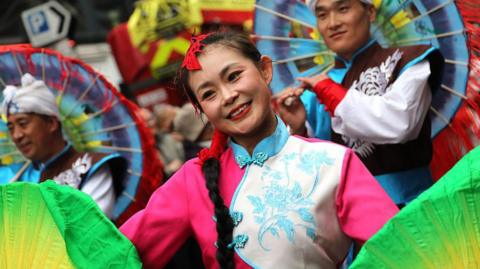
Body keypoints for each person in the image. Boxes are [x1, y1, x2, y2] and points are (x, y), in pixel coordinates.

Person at [120, 31, 398, 268]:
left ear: (265, 70)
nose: (228, 96)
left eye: (234, 76)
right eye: (208, 94)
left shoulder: (332, 162)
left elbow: (400, 248)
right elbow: (118, 254)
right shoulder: (192, 180)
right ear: (202, 111)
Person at [274, 0, 444, 207]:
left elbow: (400, 124)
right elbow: (315, 171)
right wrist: (299, 128)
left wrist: (329, 91)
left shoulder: (410, 61)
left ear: (370, 12)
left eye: (343, 9)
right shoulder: (313, 92)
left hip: (413, 209)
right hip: (349, 218)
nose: (333, 23)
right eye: (322, 15)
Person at [1, 73, 126, 218]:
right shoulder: (11, 178)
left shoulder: (92, 167)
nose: (17, 135)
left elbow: (90, 229)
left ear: (51, 123)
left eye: (23, 123)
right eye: (11, 128)